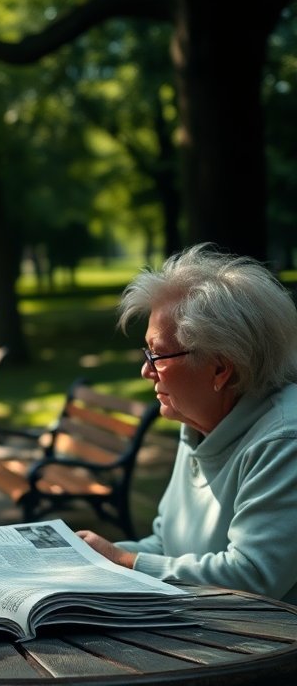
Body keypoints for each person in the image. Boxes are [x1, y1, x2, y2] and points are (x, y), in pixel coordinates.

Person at [78, 245, 297, 603]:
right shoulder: (199, 422)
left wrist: (125, 561)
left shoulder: (284, 440)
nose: (146, 371)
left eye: (158, 354)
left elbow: (254, 576)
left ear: (221, 369)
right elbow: (168, 543)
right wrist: (88, 555)